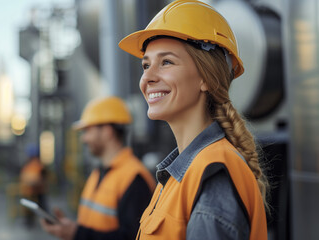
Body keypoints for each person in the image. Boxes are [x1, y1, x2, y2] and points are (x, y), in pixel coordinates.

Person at [118, 0, 269, 239]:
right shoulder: (179, 174)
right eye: (145, 65)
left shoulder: (211, 176)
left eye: (166, 62)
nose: (147, 77)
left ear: (206, 79)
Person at [41, 96, 156, 240]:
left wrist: (77, 234)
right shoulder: (99, 172)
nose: (84, 138)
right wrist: (69, 228)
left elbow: (132, 237)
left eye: (88, 130)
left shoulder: (135, 178)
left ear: (107, 131)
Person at [20, 144, 47, 227]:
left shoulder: (35, 166)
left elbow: (41, 179)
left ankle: (32, 220)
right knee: (38, 206)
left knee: (38, 205)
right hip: (31, 191)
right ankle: (43, 219)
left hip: (36, 190)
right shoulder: (36, 165)